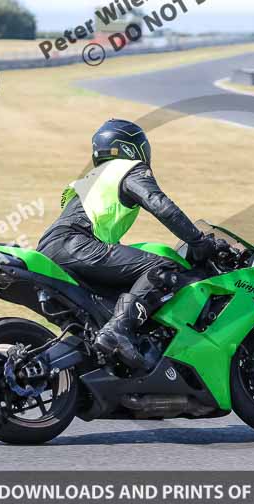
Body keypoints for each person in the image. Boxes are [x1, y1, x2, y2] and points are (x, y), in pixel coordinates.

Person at [37, 119, 216, 369]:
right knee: (162, 268)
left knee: (102, 313)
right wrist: (197, 240)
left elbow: (100, 230)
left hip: (52, 249)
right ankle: (118, 331)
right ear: (132, 148)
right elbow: (160, 205)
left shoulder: (92, 180)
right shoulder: (127, 168)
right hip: (75, 243)